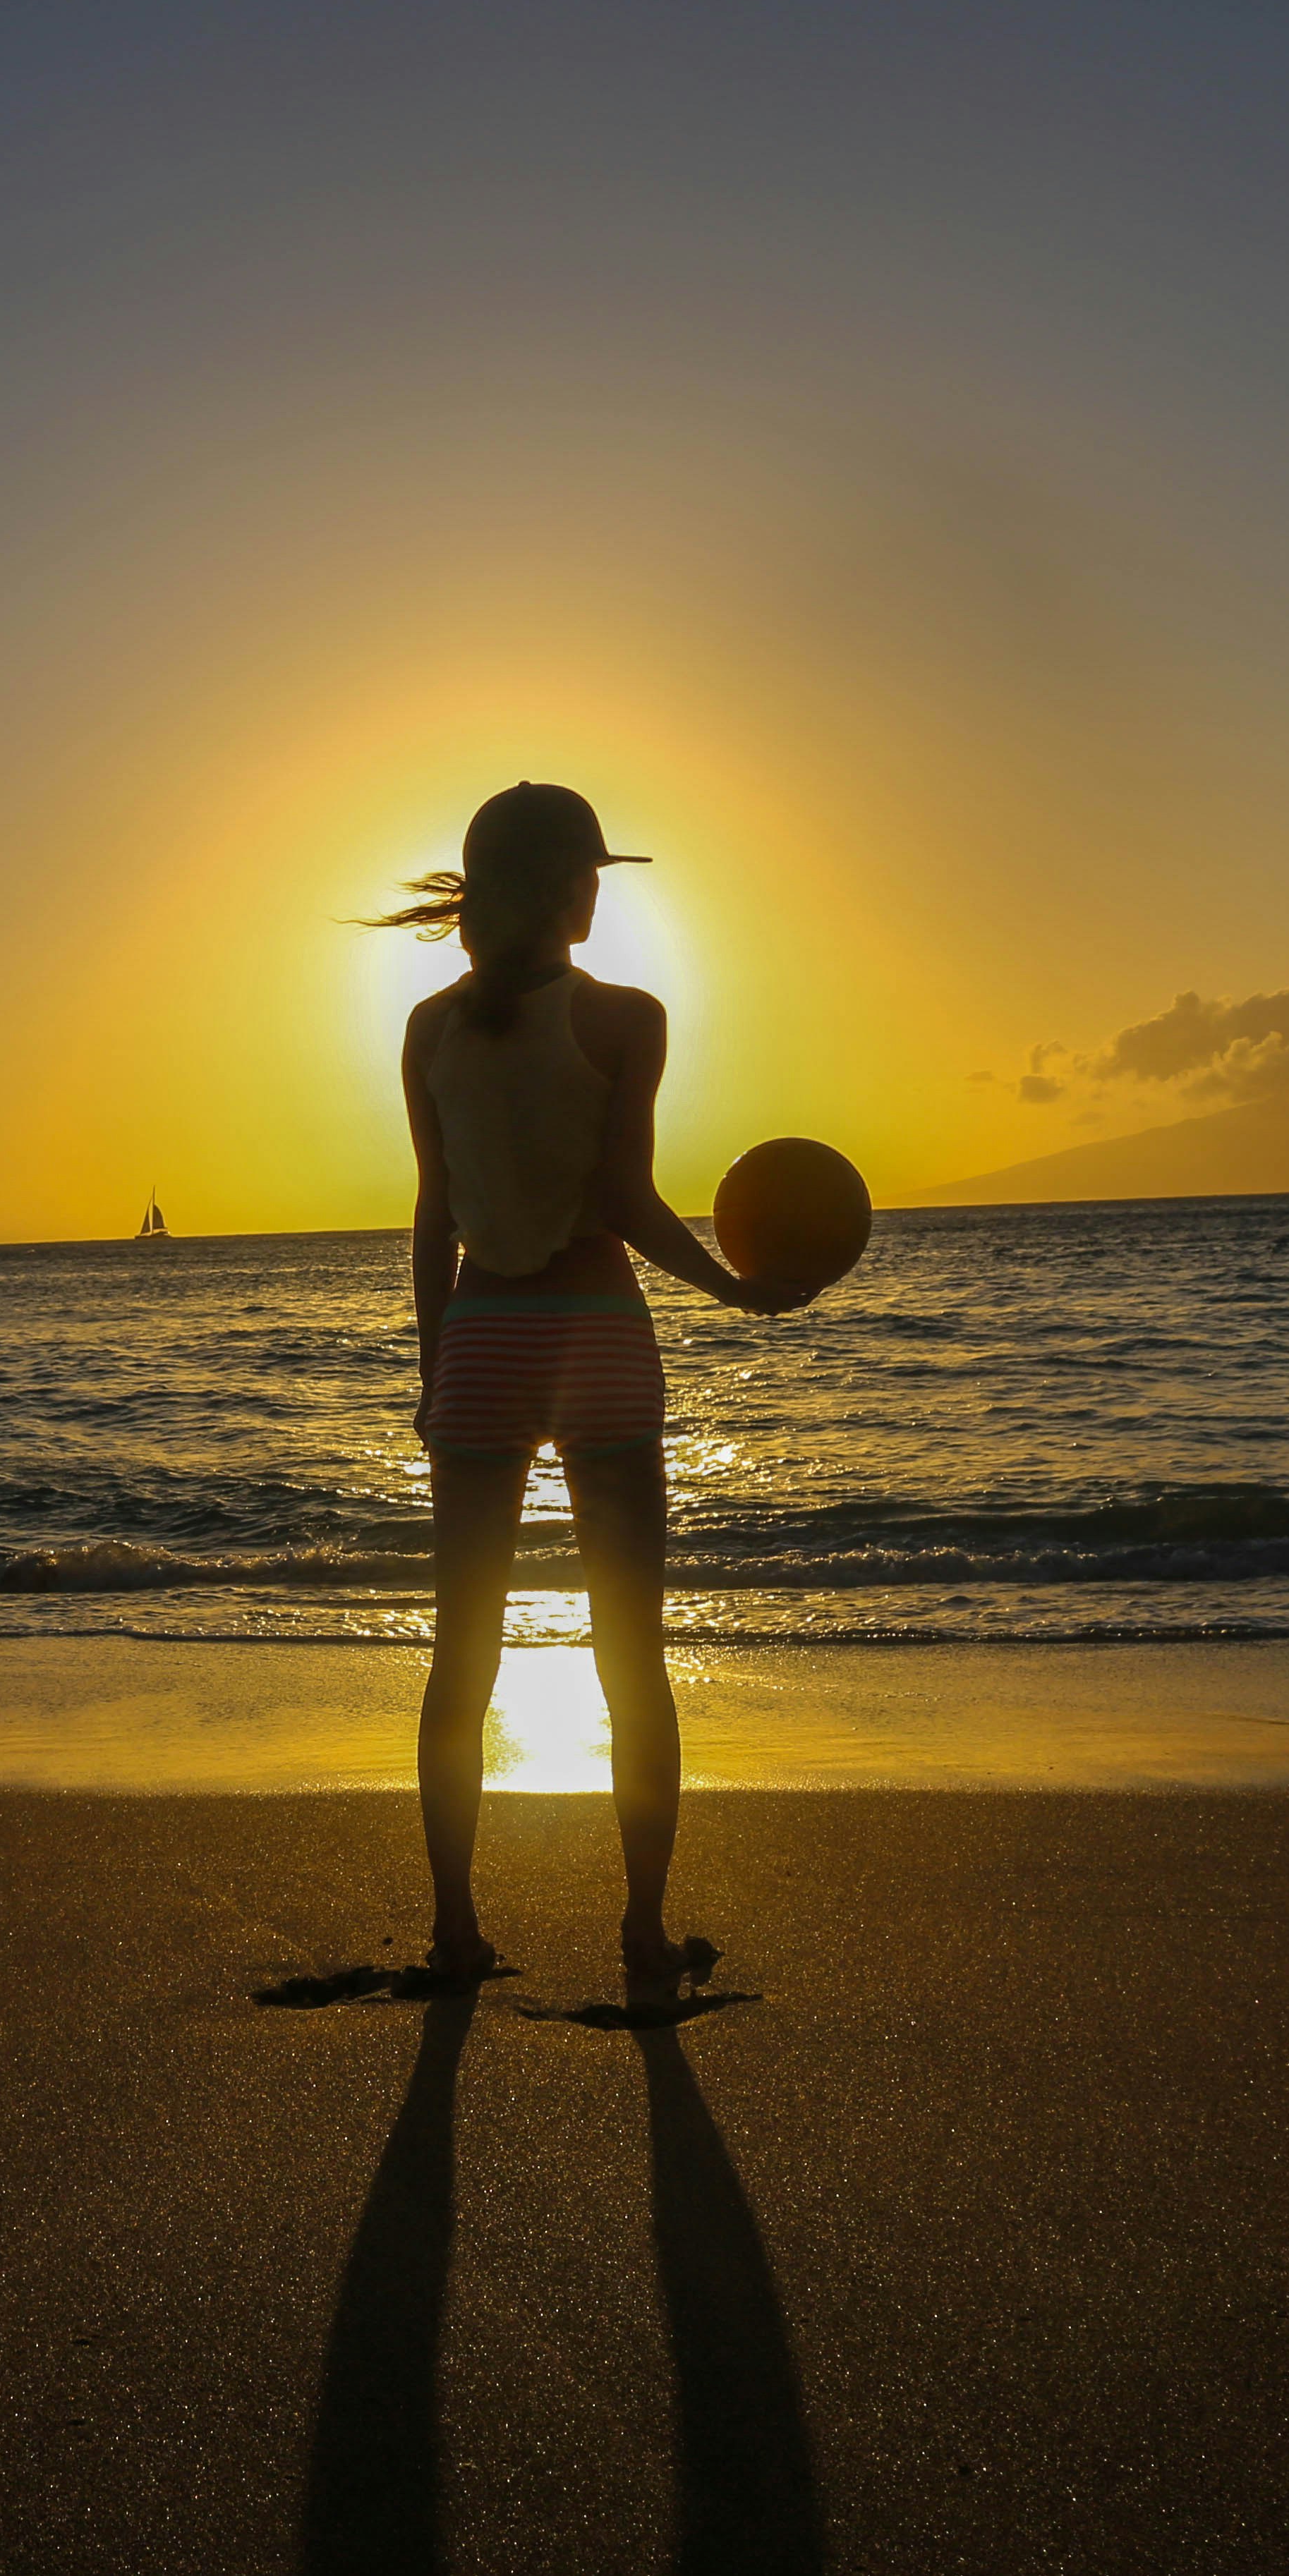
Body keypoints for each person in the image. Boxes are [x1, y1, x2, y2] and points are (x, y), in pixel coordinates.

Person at [373, 783, 815, 1990]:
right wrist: (735, 1291)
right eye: (594, 871)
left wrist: (434, 1365)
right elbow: (625, 1200)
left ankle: (455, 1932)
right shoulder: (628, 1018)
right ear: (571, 888)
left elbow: (433, 1214)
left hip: (480, 1337)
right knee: (632, 1656)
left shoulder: (425, 1029)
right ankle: (639, 1933)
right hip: (598, 1334)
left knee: (461, 1660)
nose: (600, 889)